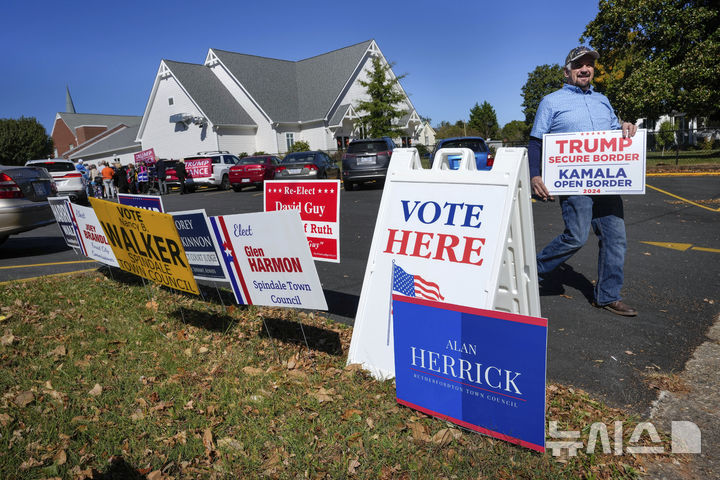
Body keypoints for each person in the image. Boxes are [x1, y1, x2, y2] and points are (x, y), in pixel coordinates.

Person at [528, 46, 638, 317]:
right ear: (567, 71)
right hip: (573, 182)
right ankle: (530, 272)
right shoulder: (551, 102)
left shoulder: (603, 100)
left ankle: (608, 296)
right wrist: (535, 174)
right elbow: (536, 141)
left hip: (607, 180)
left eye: (589, 64)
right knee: (576, 237)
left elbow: (614, 134)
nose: (585, 69)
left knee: (615, 237)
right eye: (579, 65)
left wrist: (625, 126)